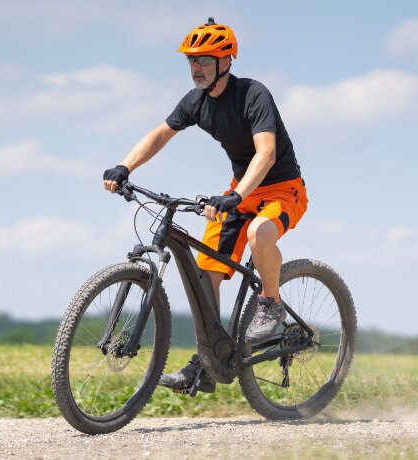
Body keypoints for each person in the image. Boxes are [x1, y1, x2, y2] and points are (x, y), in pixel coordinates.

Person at [103, 18, 308, 393]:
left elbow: (266, 153)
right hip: (239, 192)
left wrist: (236, 196)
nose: (195, 68)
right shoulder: (196, 102)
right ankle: (208, 361)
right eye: (191, 61)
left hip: (281, 188)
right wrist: (125, 166)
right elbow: (159, 135)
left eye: (204, 60)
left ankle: (271, 304)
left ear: (226, 61)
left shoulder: (253, 95)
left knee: (261, 234)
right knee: (206, 276)